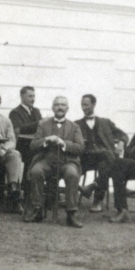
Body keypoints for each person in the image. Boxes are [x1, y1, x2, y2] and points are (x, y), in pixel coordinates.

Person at [24, 96, 85, 228]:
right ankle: (38, 209)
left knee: (72, 174)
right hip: (46, 160)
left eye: (63, 105)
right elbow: (33, 145)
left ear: (67, 109)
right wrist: (46, 140)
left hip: (67, 161)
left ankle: (71, 213)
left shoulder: (74, 127)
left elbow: (80, 148)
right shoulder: (43, 124)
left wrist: (64, 143)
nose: (60, 107)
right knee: (36, 171)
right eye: (57, 105)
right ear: (52, 108)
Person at [75, 94, 128, 213]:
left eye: (86, 105)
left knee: (105, 165)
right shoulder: (76, 124)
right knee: (108, 154)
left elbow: (123, 134)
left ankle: (96, 195)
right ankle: (118, 188)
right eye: (82, 105)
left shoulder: (106, 122)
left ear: (94, 104)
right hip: (86, 157)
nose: (83, 107)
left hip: (103, 159)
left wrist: (121, 143)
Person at [9, 86, 42, 168]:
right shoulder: (15, 112)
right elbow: (18, 129)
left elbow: (41, 128)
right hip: (23, 146)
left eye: (34, 96)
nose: (33, 99)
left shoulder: (36, 111)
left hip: (35, 144)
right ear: (22, 97)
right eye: (30, 96)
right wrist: (39, 123)